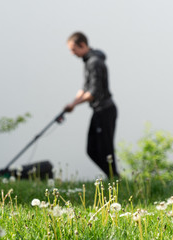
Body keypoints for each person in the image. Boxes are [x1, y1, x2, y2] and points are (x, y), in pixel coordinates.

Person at [64, 32, 119, 179]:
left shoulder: (94, 62)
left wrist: (74, 104)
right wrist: (72, 103)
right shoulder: (88, 61)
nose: (72, 53)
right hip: (99, 111)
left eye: (73, 49)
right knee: (92, 150)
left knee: (105, 149)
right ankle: (113, 178)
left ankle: (115, 179)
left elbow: (93, 92)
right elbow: (84, 88)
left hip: (105, 110)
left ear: (82, 45)